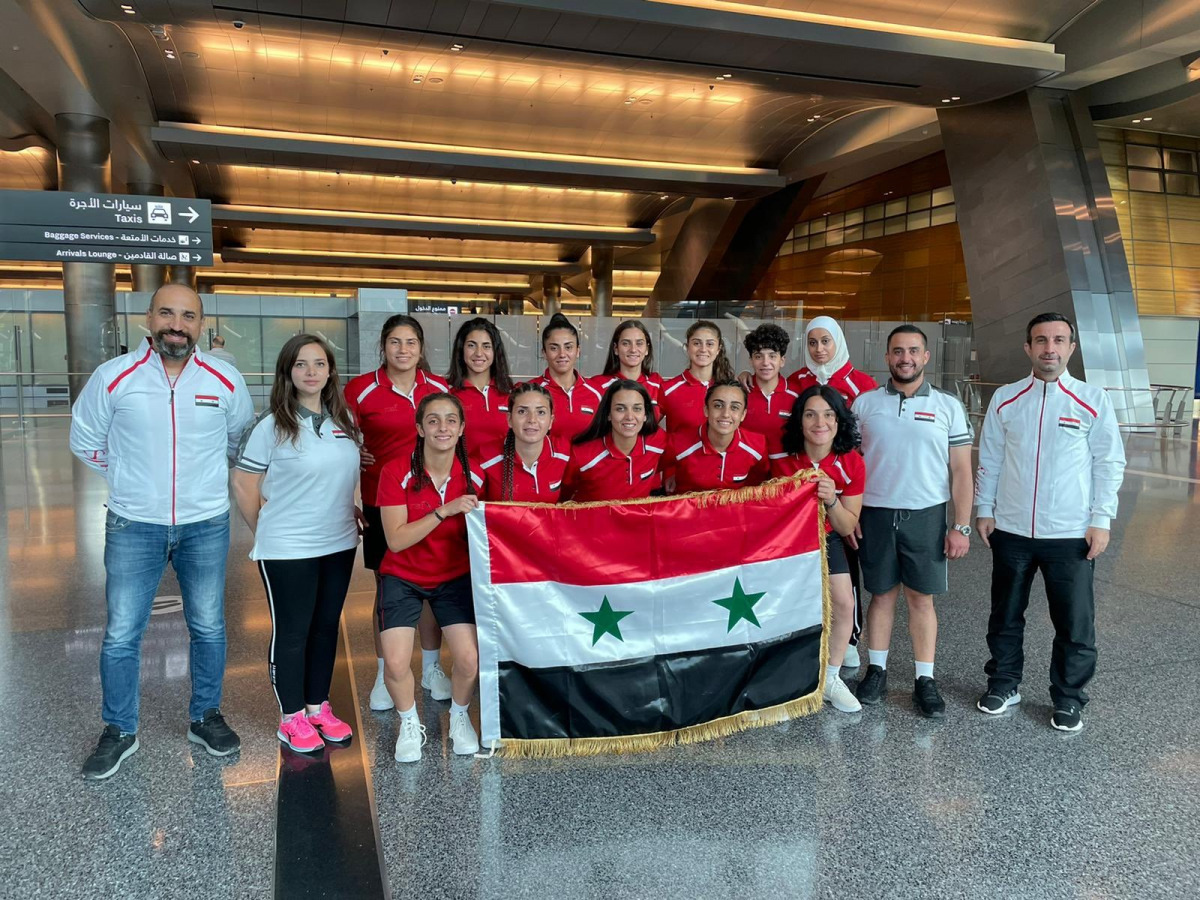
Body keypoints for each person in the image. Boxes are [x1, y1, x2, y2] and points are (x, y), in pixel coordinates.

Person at [70, 284, 254, 780]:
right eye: (167, 313)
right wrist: (128, 478)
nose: (177, 324)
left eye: (188, 316)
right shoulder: (115, 377)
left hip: (206, 524)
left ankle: (205, 716)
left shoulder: (224, 378)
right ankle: (119, 729)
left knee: (210, 626)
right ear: (148, 317)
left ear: (200, 322)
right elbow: (84, 438)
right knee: (122, 633)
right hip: (134, 523)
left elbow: (241, 438)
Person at [974, 313, 1125, 733]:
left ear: (1071, 348)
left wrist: (1101, 519)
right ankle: (1004, 683)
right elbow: (990, 458)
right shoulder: (1005, 398)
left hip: (1070, 533)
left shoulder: (1092, 399)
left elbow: (1108, 462)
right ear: (1028, 348)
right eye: (1040, 340)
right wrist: (985, 509)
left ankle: (1069, 697)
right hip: (1012, 529)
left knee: (1075, 622)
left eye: (1059, 340)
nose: (1049, 349)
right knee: (1005, 614)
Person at [232, 335, 362, 752]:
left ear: (329, 371)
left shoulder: (343, 423)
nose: (311, 372)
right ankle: (291, 718)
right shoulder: (272, 424)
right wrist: (266, 531)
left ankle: (317, 706)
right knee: (293, 633)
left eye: (319, 363)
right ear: (287, 372)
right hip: (288, 548)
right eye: (301, 364)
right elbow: (244, 483)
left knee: (326, 629)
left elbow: (347, 478)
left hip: (338, 543)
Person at [851, 324, 974, 718]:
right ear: (887, 357)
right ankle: (877, 669)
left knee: (921, 598)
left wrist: (961, 525)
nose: (906, 358)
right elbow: (850, 465)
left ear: (925, 357)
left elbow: (961, 471)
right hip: (875, 514)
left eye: (913, 351)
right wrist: (850, 512)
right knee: (881, 594)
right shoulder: (864, 405)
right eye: (898, 351)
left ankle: (925, 678)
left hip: (926, 516)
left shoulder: (947, 406)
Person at [344, 316, 453, 714]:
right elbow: (337, 438)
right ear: (383, 347)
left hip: (431, 502)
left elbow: (455, 438)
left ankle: (430, 667)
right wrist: (355, 453)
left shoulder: (439, 388)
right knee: (388, 590)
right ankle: (383, 673)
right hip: (381, 502)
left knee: (431, 587)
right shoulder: (360, 390)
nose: (403, 350)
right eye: (395, 342)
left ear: (421, 349)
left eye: (410, 342)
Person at [376, 394, 485, 762]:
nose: (443, 427)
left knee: (469, 659)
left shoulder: (476, 476)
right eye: (434, 421)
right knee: (394, 662)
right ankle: (409, 722)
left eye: (451, 420)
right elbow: (396, 539)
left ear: (461, 428)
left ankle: (458, 716)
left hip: (453, 577)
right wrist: (445, 511)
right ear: (420, 429)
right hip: (402, 576)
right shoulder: (395, 471)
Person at [771, 386, 865, 713]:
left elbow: (846, 525)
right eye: (810, 414)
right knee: (782, 609)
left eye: (828, 414)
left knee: (844, 602)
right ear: (799, 421)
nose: (819, 422)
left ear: (839, 422)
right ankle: (781, 684)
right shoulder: (778, 458)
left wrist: (832, 499)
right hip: (784, 544)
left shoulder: (851, 462)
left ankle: (831, 678)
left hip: (826, 538)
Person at [562, 380, 665, 502]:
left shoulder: (658, 440)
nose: (630, 417)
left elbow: (679, 458)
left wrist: (671, 474)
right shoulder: (582, 454)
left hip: (636, 520)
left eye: (637, 409)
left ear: (645, 415)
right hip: (593, 520)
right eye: (620, 409)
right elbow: (563, 497)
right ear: (608, 414)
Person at [662, 381, 768, 493]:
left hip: (733, 508)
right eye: (718, 406)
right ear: (706, 410)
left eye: (735, 407)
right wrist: (671, 472)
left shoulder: (757, 445)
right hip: (688, 509)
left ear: (743, 415)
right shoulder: (678, 443)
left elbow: (759, 483)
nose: (726, 414)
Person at [480, 383, 571, 503]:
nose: (532, 420)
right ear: (509, 419)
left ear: (551, 421)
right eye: (522, 411)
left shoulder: (564, 452)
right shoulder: (484, 457)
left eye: (541, 412)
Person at [447, 317, 515, 461]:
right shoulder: (448, 394)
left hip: (504, 479)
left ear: (495, 352)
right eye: (471, 345)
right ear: (461, 350)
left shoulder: (512, 394)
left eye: (486, 346)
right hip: (465, 479)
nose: (479, 353)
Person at [659, 320, 735, 438]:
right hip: (679, 457)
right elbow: (644, 427)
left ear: (718, 349)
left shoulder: (730, 388)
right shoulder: (667, 389)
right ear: (687, 347)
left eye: (710, 344)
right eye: (696, 343)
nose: (703, 349)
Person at [534, 313, 603, 442]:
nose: (562, 354)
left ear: (577, 351)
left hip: (586, 463)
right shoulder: (531, 391)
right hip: (546, 463)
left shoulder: (597, 393)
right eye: (554, 348)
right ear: (544, 353)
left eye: (568, 347)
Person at [787, 316, 878, 404]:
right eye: (812, 343)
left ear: (838, 341)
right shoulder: (796, 380)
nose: (819, 349)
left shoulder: (864, 384)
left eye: (825, 341)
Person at [741, 323, 799, 456]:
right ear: (751, 360)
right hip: (747, 472)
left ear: (782, 360)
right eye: (758, 356)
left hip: (785, 473)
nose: (765, 363)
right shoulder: (740, 393)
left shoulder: (796, 395)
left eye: (772, 356)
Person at [592, 320, 663, 417]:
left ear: (647, 349)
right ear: (616, 348)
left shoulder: (658, 384)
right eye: (626, 343)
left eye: (639, 343)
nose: (633, 349)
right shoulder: (597, 385)